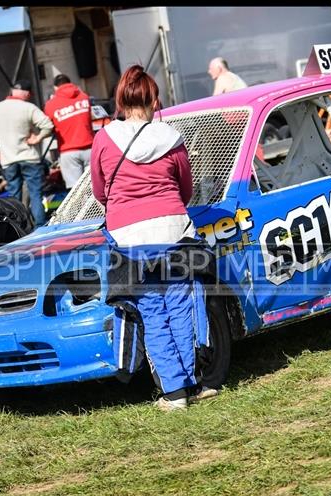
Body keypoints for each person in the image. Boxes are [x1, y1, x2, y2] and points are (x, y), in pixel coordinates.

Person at [90, 64, 217, 411]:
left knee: (151, 312)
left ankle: (174, 393)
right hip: (172, 230)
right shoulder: (171, 137)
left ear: (120, 99)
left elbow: (101, 191)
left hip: (128, 237)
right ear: (154, 98)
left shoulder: (104, 139)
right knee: (179, 307)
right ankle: (192, 384)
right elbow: (185, 188)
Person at [0, 79, 54, 227]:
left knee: (14, 197)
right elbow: (48, 125)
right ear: (27, 93)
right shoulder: (28, 107)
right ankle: (40, 227)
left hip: (8, 160)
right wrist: (38, 138)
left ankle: (17, 227)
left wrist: (4, 142)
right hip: (30, 157)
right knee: (35, 194)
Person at [43, 73, 94, 190]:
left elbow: (48, 126)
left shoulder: (51, 105)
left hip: (68, 151)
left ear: (56, 88)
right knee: (95, 188)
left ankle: (81, 209)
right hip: (90, 148)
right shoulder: (84, 97)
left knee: (75, 191)